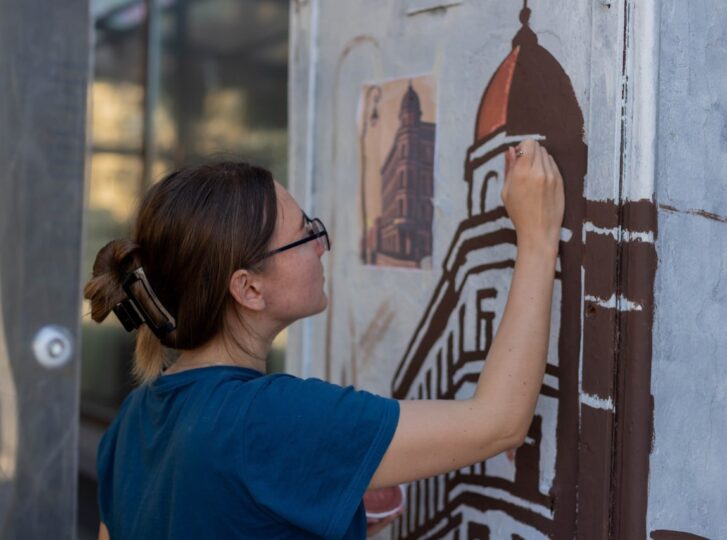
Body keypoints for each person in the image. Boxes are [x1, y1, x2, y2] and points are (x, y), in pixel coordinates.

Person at [85, 139, 564, 539]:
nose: (320, 242)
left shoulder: (132, 422)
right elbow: (498, 423)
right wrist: (538, 236)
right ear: (248, 288)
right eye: (303, 233)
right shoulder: (267, 419)